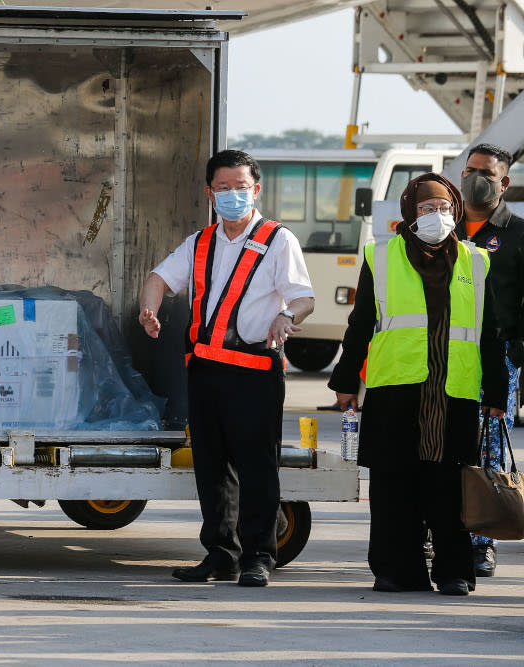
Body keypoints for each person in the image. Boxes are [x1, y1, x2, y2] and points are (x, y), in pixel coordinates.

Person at [139, 149, 315, 587]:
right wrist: (149, 309)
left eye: (241, 187)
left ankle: (259, 556)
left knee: (257, 466)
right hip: (204, 373)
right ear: (209, 193)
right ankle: (221, 553)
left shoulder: (278, 241)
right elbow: (159, 278)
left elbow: (304, 297)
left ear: (256, 189)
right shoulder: (199, 243)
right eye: (224, 188)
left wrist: (287, 316)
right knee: (212, 468)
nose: (233, 195)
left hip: (254, 374)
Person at [330, 173, 506, 596]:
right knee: (394, 485)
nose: (437, 216)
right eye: (427, 209)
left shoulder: (476, 261)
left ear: (457, 211)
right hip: (397, 388)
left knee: (450, 487)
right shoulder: (381, 256)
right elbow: (360, 325)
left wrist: (497, 393)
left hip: (454, 393)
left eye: (445, 208)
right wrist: (346, 379)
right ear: (409, 213)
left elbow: (491, 332)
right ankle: (396, 570)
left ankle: (454, 571)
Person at [455, 143, 524, 577]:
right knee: (439, 445)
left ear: (505, 182)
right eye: (470, 169)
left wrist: (515, 353)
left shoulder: (517, 233)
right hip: (442, 356)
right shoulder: (440, 225)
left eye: (485, 172)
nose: (474, 178)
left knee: (487, 450)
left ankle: (483, 542)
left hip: (496, 360)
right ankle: (436, 532)